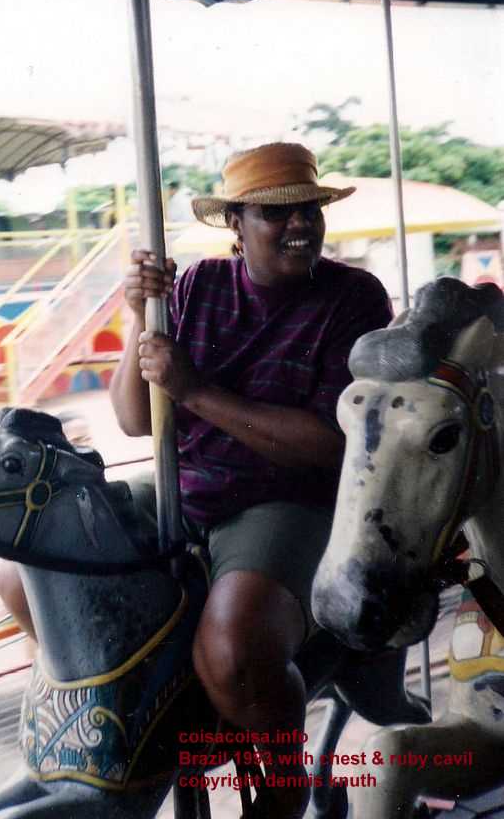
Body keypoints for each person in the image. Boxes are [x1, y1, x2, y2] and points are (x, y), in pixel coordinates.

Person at [108, 141, 392, 818]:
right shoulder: (196, 286)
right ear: (235, 224)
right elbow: (134, 420)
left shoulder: (353, 299)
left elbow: (327, 444)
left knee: (234, 648)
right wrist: (138, 320)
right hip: (188, 483)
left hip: (285, 496)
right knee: (32, 565)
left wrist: (195, 391)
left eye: (308, 210)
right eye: (275, 213)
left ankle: (282, 780)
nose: (299, 224)